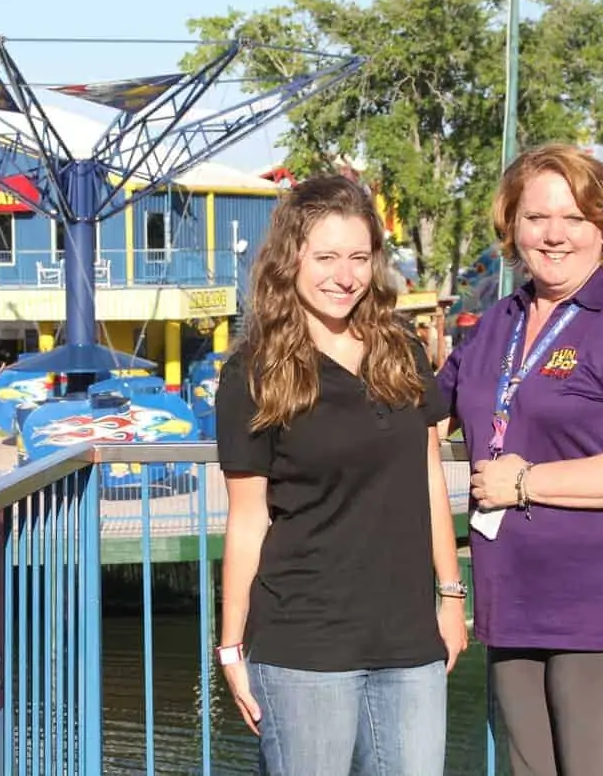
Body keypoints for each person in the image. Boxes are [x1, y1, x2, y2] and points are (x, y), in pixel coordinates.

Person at [436, 143, 603, 776]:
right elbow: (418, 412)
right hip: (513, 602)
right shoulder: (494, 324)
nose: (554, 236)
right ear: (510, 225)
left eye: (574, 218)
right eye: (535, 217)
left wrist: (523, 482)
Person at [214, 174, 467, 776]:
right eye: (325, 257)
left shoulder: (399, 346)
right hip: (305, 640)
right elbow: (248, 520)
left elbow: (428, 474)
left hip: (407, 640)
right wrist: (229, 646)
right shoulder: (254, 373)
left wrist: (453, 597)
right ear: (290, 259)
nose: (344, 275)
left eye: (358, 257)